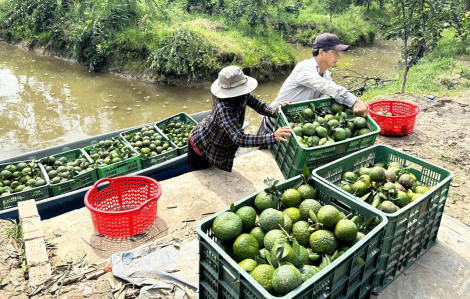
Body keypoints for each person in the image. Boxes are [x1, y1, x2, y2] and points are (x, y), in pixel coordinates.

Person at [188, 65, 292, 173]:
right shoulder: (223, 108)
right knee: (201, 176)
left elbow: (260, 106)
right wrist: (273, 137)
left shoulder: (243, 95)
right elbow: (240, 138)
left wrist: (275, 112)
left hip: (217, 145)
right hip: (200, 147)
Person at [261, 33, 368, 133]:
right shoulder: (305, 67)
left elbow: (327, 98)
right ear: (321, 52)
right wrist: (354, 101)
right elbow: (325, 86)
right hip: (275, 121)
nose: (338, 56)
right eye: (335, 52)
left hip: (295, 125)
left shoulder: (327, 75)